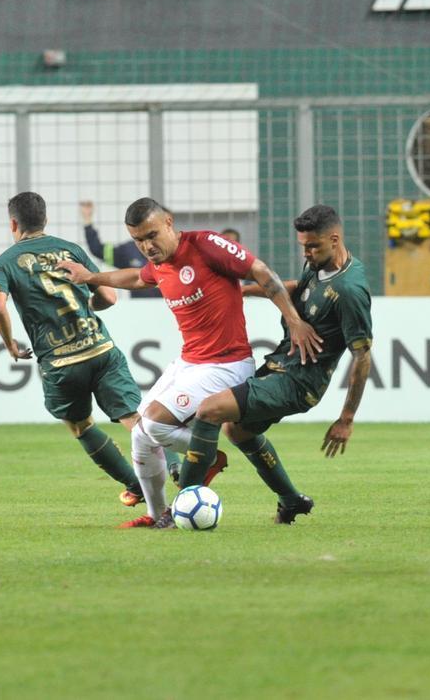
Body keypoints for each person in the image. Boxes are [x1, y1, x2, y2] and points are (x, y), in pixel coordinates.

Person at [59, 198, 322, 528]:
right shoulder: (157, 262)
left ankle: (207, 455)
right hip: (190, 362)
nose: (147, 246)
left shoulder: (205, 244)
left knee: (154, 424)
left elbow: (260, 271)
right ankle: (158, 517)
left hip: (226, 364)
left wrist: (294, 320)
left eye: (152, 235)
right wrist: (90, 277)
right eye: (139, 240)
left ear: (169, 222)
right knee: (140, 433)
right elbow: (137, 279)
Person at [190, 205, 374, 523]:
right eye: (303, 245)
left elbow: (362, 355)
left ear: (335, 238)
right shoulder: (319, 263)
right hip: (280, 365)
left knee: (209, 411)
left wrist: (346, 418)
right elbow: (297, 289)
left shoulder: (349, 292)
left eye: (312, 246)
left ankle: (183, 498)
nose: (306, 253)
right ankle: (291, 500)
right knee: (237, 431)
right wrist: (242, 292)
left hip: (298, 383)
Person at [0, 192, 149, 510]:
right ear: (45, 219)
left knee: (81, 425)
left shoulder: (3, 264)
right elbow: (110, 298)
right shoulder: (71, 250)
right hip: (100, 347)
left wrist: (9, 343)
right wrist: (90, 305)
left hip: (61, 362)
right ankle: (174, 468)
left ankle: (134, 484)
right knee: (134, 418)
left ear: (13, 223)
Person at [79, 201, 160, 298]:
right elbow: (97, 250)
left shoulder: (173, 249)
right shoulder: (129, 250)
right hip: (140, 308)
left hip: (172, 307)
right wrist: (88, 221)